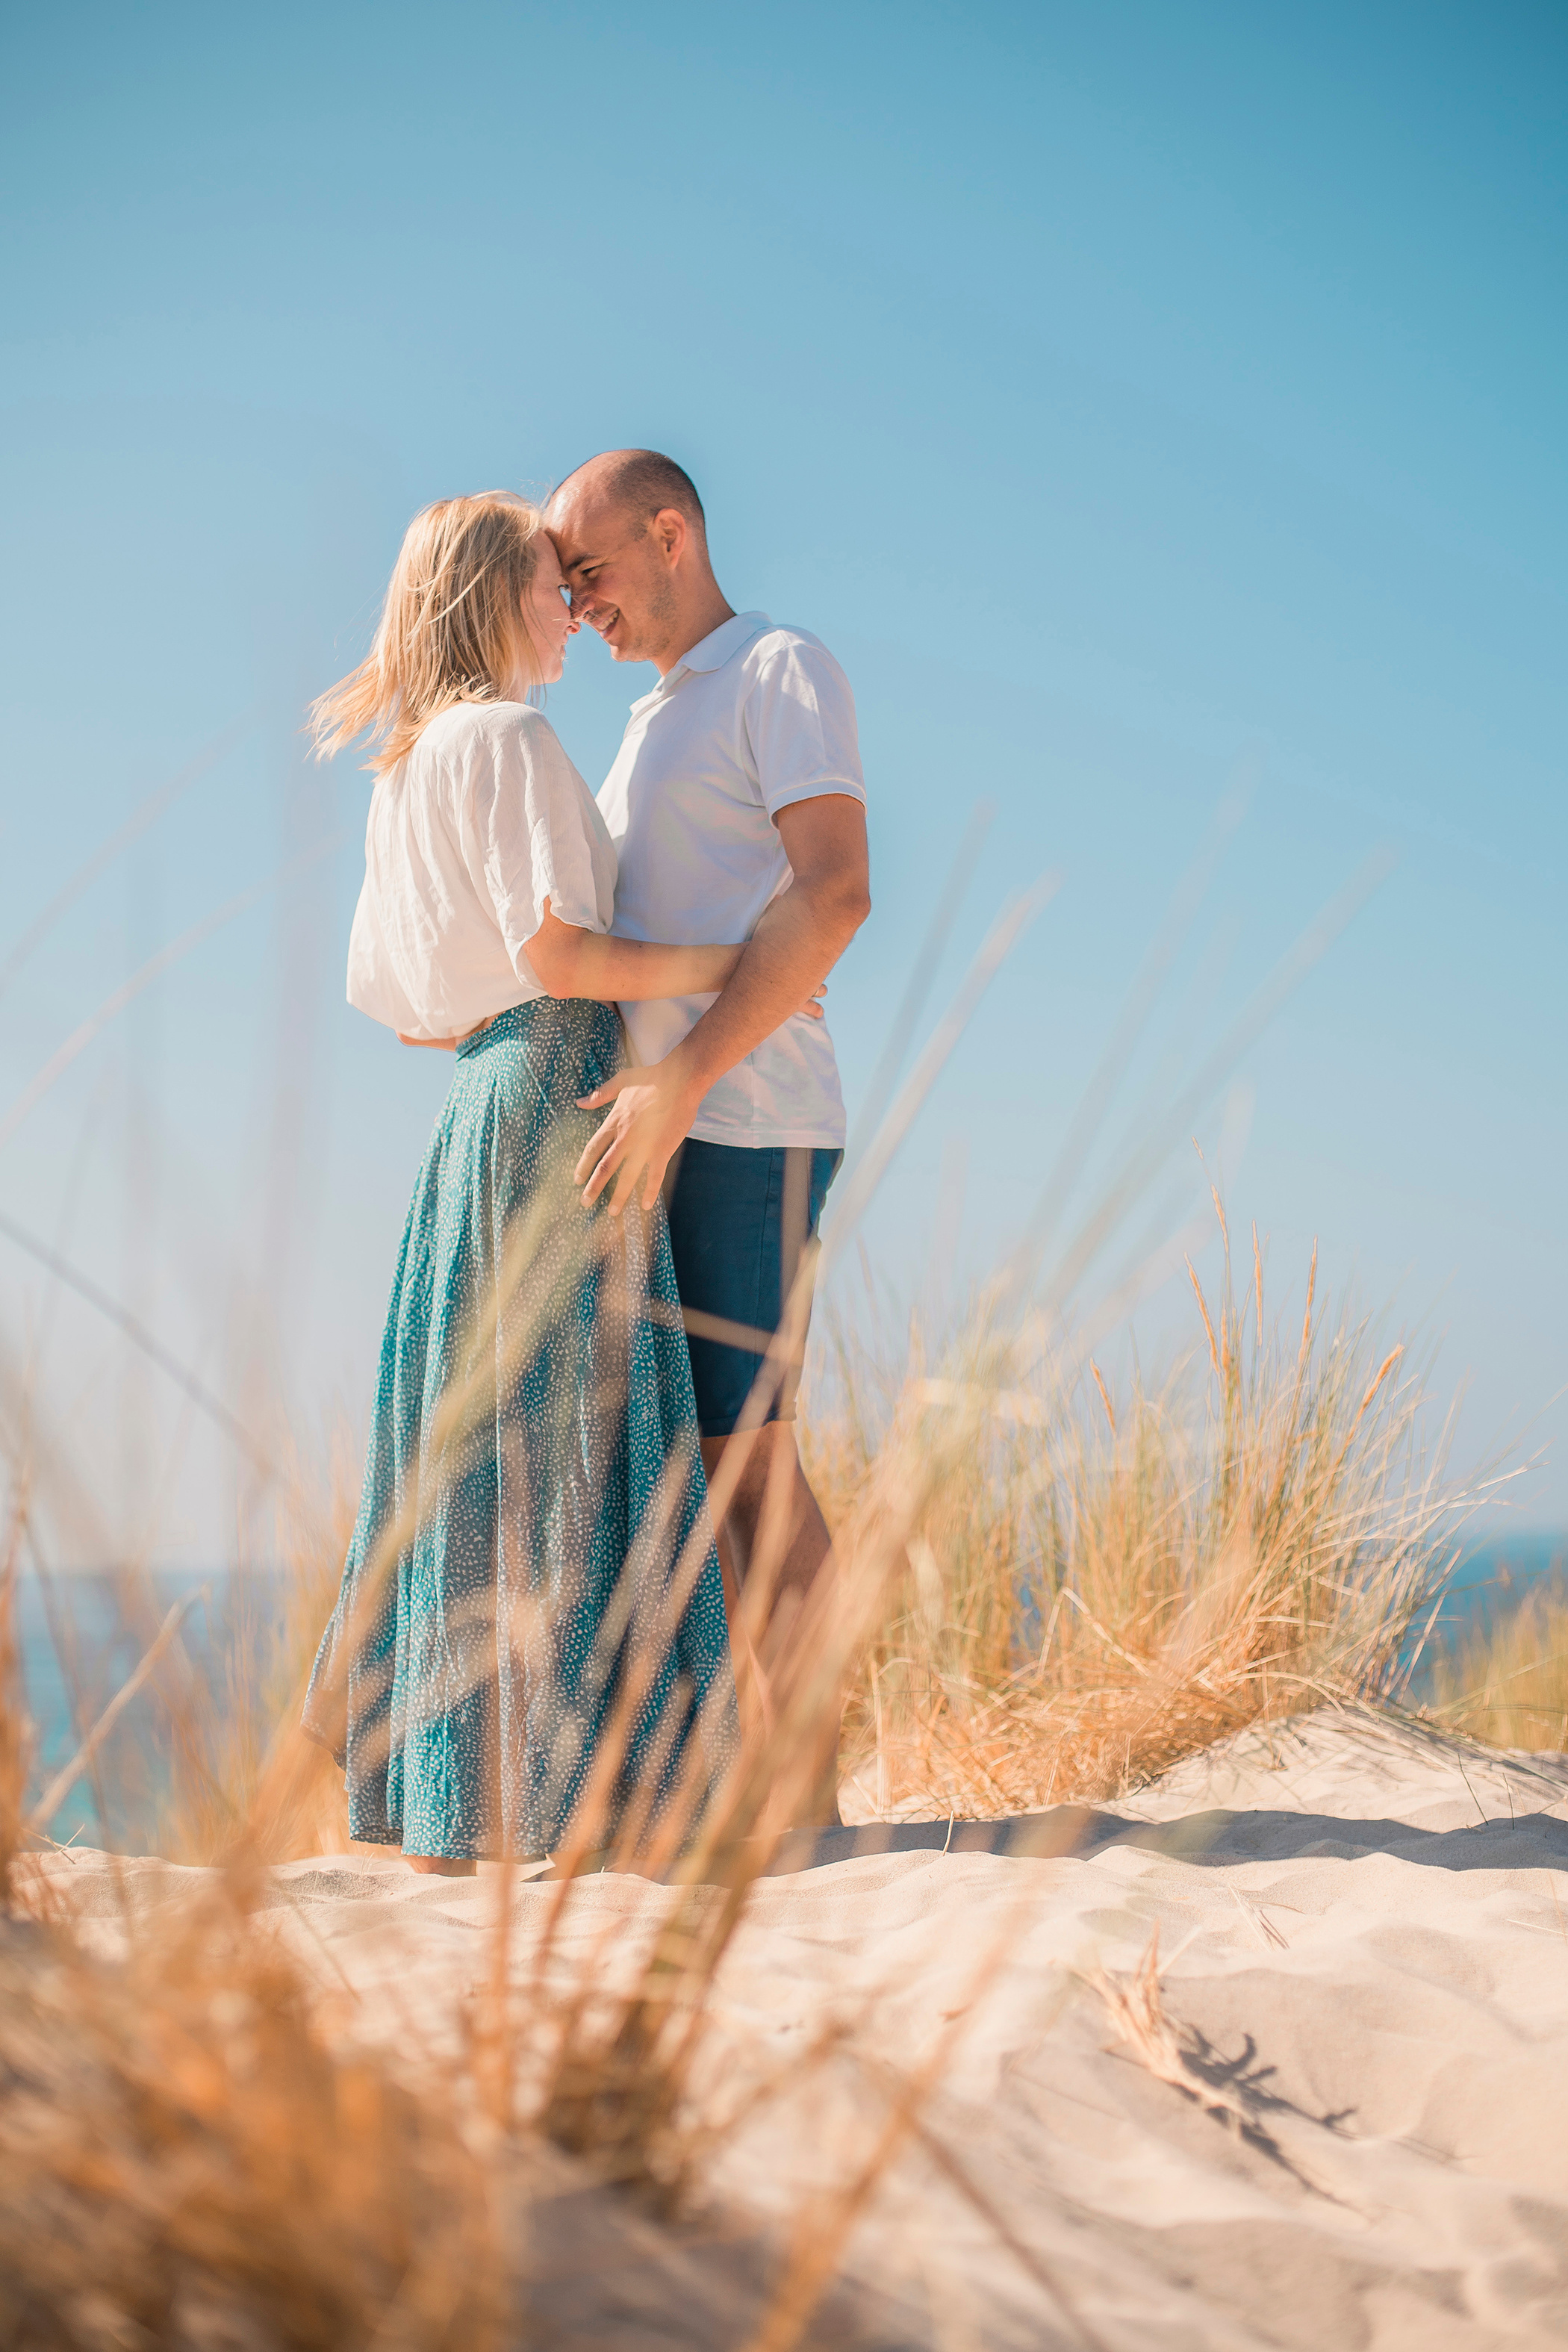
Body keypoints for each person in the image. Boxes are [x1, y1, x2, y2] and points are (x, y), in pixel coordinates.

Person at [300, 491, 823, 1875]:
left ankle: (455, 1806)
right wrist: (725, 968)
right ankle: (607, 1803)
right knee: (579, 1445)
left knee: (473, 1452)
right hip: (552, 1096)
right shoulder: (512, 738)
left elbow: (406, 1008)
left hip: (470, 1103)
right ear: (490, 596)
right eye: (549, 581)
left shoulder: (405, 769)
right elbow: (560, 953)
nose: (568, 608)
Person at [546, 451, 871, 1826]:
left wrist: (681, 1080)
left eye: (591, 571)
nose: (576, 606)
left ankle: (810, 1807)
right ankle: (742, 1788)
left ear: (669, 534)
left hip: (748, 1122)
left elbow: (839, 893)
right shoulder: (645, 723)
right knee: (691, 1464)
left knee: (752, 1460)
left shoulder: (779, 667)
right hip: (663, 1134)